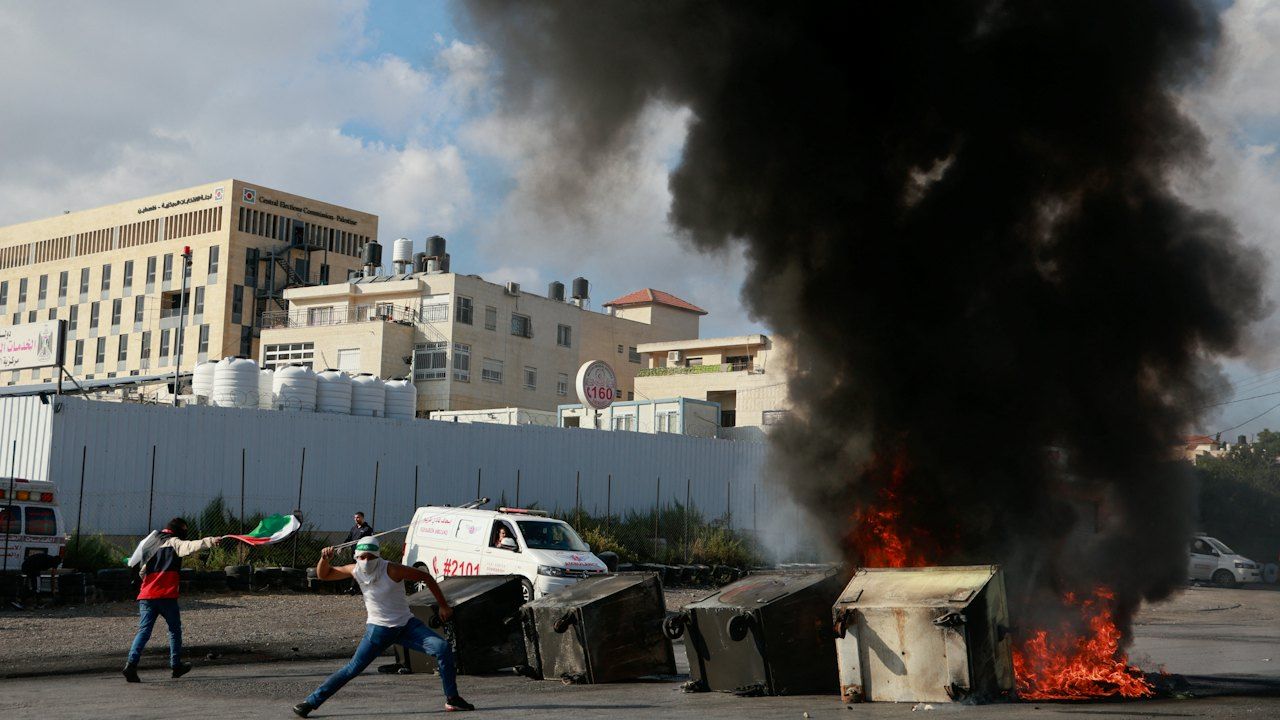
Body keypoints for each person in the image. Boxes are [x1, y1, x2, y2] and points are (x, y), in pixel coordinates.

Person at [292, 537, 474, 717]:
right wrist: (324, 559)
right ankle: (311, 702)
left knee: (442, 648)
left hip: (406, 625)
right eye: (362, 557)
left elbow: (426, 577)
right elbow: (324, 574)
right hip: (378, 631)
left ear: (378, 557)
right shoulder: (355, 570)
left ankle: (452, 698)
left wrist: (443, 605)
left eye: (371, 557)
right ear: (356, 557)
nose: (366, 561)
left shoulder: (392, 569)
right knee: (352, 669)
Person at [123, 517, 224, 682]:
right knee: (174, 631)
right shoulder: (175, 542)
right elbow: (190, 547)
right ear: (180, 530)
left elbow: (141, 572)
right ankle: (176, 666)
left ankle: (131, 665)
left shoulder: (151, 544)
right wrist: (211, 540)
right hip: (166, 597)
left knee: (144, 632)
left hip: (146, 596)